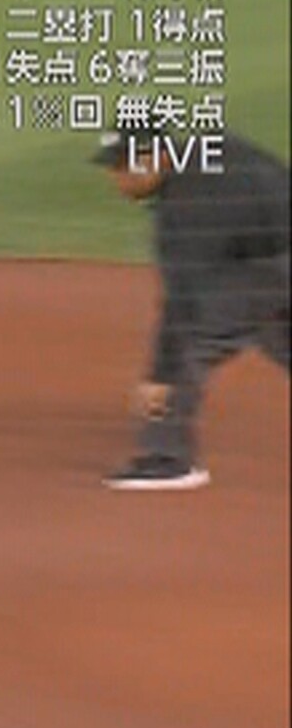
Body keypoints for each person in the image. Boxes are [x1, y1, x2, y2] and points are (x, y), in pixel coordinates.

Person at [94, 125, 290, 490]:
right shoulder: (207, 152)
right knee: (271, 325)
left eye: (123, 165)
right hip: (272, 255)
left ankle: (167, 457)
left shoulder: (185, 204)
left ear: (156, 157)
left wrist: (160, 376)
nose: (116, 178)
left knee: (196, 338)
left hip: (273, 263)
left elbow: (184, 302)